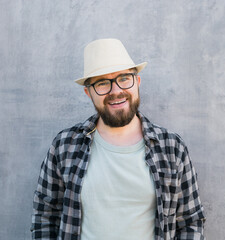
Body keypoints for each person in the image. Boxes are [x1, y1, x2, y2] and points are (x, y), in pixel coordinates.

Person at [31, 38, 206, 240]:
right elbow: (45, 216)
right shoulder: (64, 146)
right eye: (102, 83)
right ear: (88, 93)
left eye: (124, 78)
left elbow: (190, 221)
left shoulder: (172, 148)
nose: (116, 91)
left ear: (137, 82)